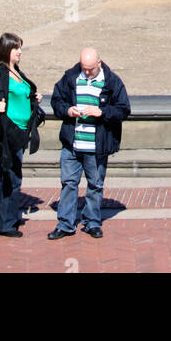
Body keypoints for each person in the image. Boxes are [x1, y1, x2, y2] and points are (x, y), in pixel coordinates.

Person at [47, 47, 130, 241]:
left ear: (99, 64)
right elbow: (56, 100)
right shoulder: (71, 77)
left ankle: (92, 222)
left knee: (95, 185)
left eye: (90, 69)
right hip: (72, 144)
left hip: (96, 145)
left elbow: (124, 109)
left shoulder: (112, 81)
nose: (86, 72)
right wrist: (67, 111)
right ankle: (65, 224)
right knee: (68, 183)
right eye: (84, 68)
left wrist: (102, 113)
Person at [0, 32, 45, 237]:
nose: (20, 52)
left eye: (20, 48)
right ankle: (4, 224)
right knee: (9, 177)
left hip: (21, 132)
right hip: (9, 133)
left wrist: (35, 96)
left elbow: (23, 93)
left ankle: (10, 216)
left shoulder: (16, 71)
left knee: (13, 176)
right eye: (16, 49)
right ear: (6, 50)